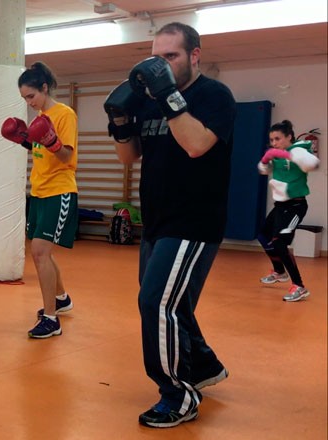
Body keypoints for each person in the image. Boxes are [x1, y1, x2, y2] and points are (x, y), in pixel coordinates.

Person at [107, 22, 235, 428]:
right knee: (170, 300)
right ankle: (203, 364)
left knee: (155, 302)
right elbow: (129, 158)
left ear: (194, 55)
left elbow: (197, 145)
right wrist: (121, 123)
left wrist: (168, 96)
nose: (160, 64)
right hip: (157, 219)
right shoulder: (147, 99)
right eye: (156, 56)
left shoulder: (215, 96)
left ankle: (178, 393)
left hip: (194, 220)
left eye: (171, 56)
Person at [0, 62, 79, 339]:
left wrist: (50, 140)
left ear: (44, 88)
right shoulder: (39, 118)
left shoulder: (64, 114)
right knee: (43, 253)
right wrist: (24, 139)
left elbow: (66, 156)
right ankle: (61, 299)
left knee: (40, 253)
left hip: (59, 190)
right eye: (24, 98)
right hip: (39, 191)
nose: (29, 103)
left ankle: (51, 319)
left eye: (31, 96)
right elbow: (41, 151)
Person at [257, 120, 320, 302]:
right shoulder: (276, 154)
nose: (274, 143)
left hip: (295, 206)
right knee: (263, 236)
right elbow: (263, 171)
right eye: (272, 139)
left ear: (289, 137)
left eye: (278, 139)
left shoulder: (299, 150)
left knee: (279, 242)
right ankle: (279, 271)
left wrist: (288, 155)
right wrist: (266, 158)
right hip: (280, 206)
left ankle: (299, 286)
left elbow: (313, 164)